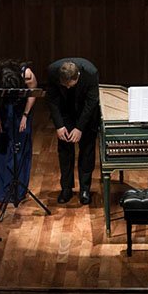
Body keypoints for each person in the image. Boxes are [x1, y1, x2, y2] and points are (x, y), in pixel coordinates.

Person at [45, 58, 101, 205]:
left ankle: (85, 190)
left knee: (87, 151)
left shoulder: (90, 73)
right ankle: (66, 188)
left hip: (86, 114)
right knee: (64, 151)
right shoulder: (52, 71)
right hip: (65, 111)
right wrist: (59, 125)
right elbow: (52, 99)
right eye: (65, 85)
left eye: (70, 84)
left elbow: (91, 103)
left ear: (77, 77)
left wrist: (80, 128)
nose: (68, 87)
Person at [0, 58, 38, 202]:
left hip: (19, 110)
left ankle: (16, 191)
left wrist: (25, 115)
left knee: (19, 149)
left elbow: (32, 94)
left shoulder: (27, 74)